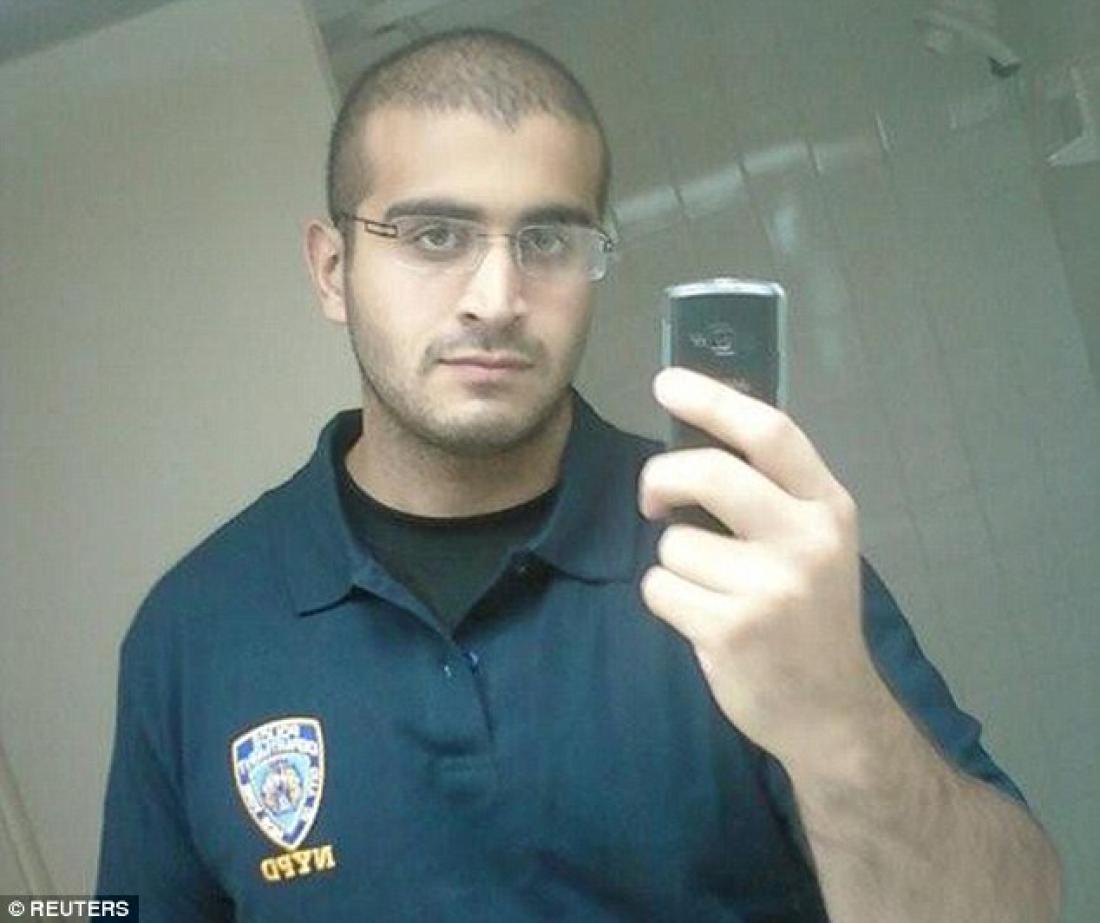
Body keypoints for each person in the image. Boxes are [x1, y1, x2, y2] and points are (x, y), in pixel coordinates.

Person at [96, 27, 1060, 922]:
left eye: (548, 240)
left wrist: (839, 719)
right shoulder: (193, 630)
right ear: (331, 268)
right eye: (435, 236)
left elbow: (1014, 908)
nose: (496, 298)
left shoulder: (745, 549)